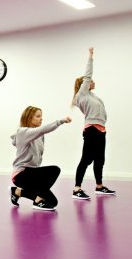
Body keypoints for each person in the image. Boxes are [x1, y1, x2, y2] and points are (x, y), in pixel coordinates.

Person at [72, 47, 116, 199]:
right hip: (91, 130)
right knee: (86, 159)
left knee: (100, 159)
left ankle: (99, 186)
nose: (93, 81)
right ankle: (77, 189)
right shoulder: (82, 94)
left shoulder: (93, 96)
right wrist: (90, 57)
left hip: (101, 130)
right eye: (90, 81)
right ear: (85, 83)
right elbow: (88, 74)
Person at [10, 107, 72, 211]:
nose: (41, 119)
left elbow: (39, 154)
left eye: (41, 116)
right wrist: (61, 121)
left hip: (32, 173)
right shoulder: (22, 132)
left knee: (52, 202)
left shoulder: (40, 135)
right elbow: (43, 129)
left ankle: (17, 192)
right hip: (21, 175)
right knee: (54, 170)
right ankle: (37, 201)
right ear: (29, 118)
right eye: (38, 116)